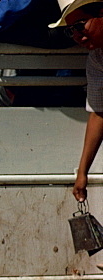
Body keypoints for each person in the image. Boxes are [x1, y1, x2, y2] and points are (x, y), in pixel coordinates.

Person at [59, 0, 103, 203]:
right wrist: (82, 173)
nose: (76, 36)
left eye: (79, 25)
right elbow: (98, 112)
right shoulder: (97, 58)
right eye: (71, 30)